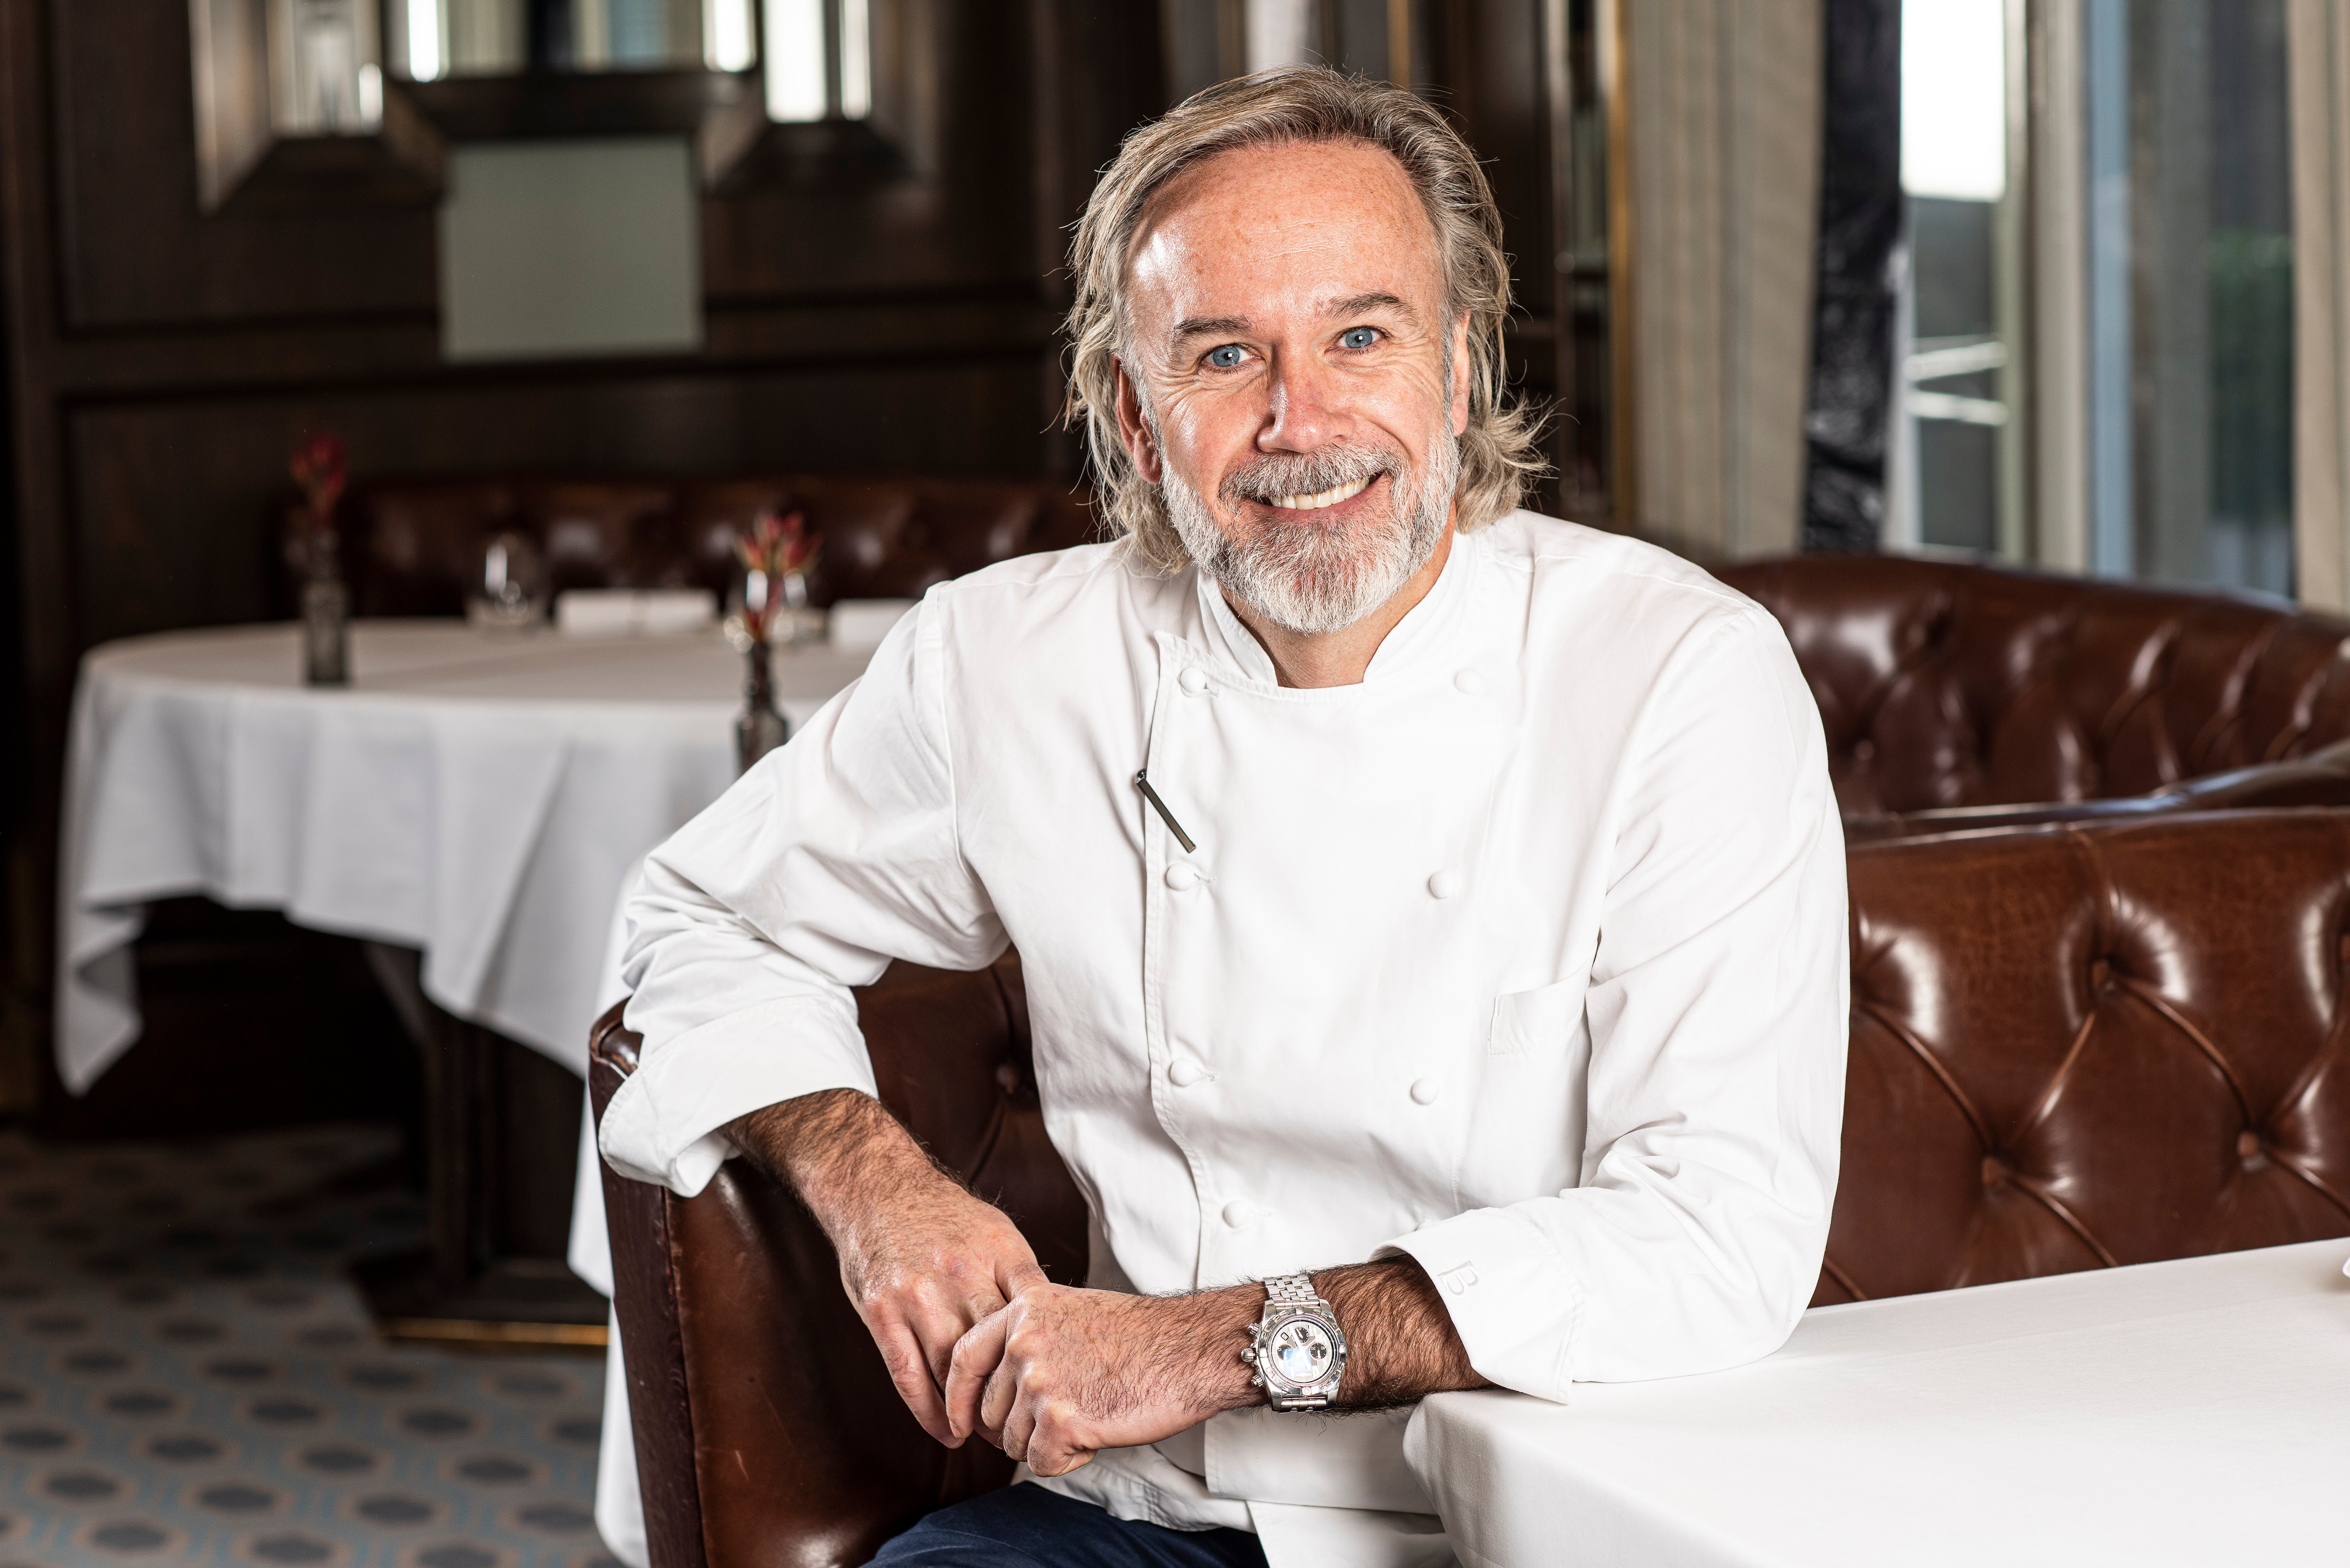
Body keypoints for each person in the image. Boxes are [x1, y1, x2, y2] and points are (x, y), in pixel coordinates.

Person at [600, 65, 1847, 1568]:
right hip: (1150, 1512)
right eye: (1221, 355)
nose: (1297, 421)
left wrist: (1202, 1344)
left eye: (1360, 336)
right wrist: (877, 1188)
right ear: (1134, 415)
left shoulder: (1674, 675)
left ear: (1459, 372)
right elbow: (695, 917)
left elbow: (1715, 1228)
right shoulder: (1008, 659)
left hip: (1544, 1509)